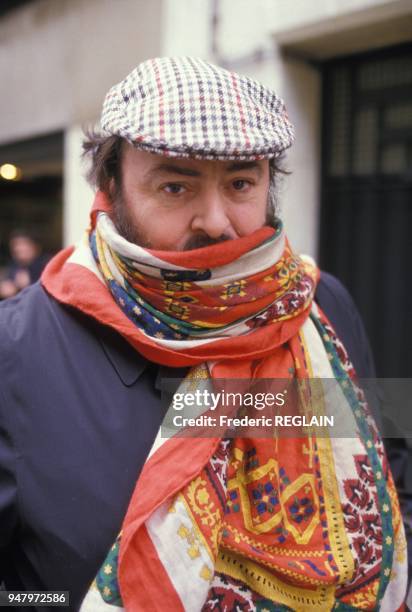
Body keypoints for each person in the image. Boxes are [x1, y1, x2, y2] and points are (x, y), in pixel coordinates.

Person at [0, 57, 407, 611]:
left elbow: (392, 468)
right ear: (110, 185)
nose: (215, 220)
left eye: (241, 182)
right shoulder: (16, 350)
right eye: (175, 186)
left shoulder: (323, 305)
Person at [0, 229, 50, 299]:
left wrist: (30, 284)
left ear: (35, 247)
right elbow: (8, 285)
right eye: (15, 245)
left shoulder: (46, 265)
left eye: (23, 244)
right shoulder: (14, 265)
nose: (18, 248)